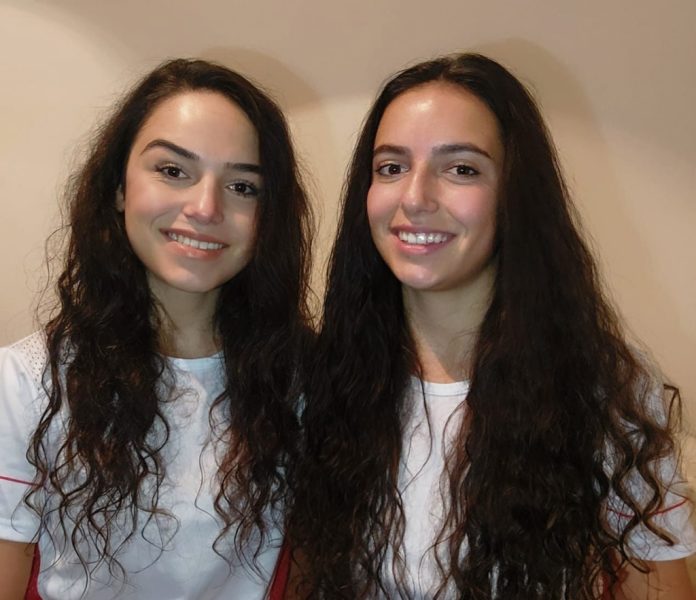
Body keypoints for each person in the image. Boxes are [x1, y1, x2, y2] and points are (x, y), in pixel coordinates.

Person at [289, 53, 696, 599]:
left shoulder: (603, 387)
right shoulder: (328, 377)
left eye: (462, 169)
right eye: (391, 167)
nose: (415, 197)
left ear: (514, 195)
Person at [0, 58, 312, 599]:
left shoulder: (305, 380)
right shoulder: (27, 382)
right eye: (172, 171)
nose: (206, 207)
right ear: (119, 188)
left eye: (243, 185)